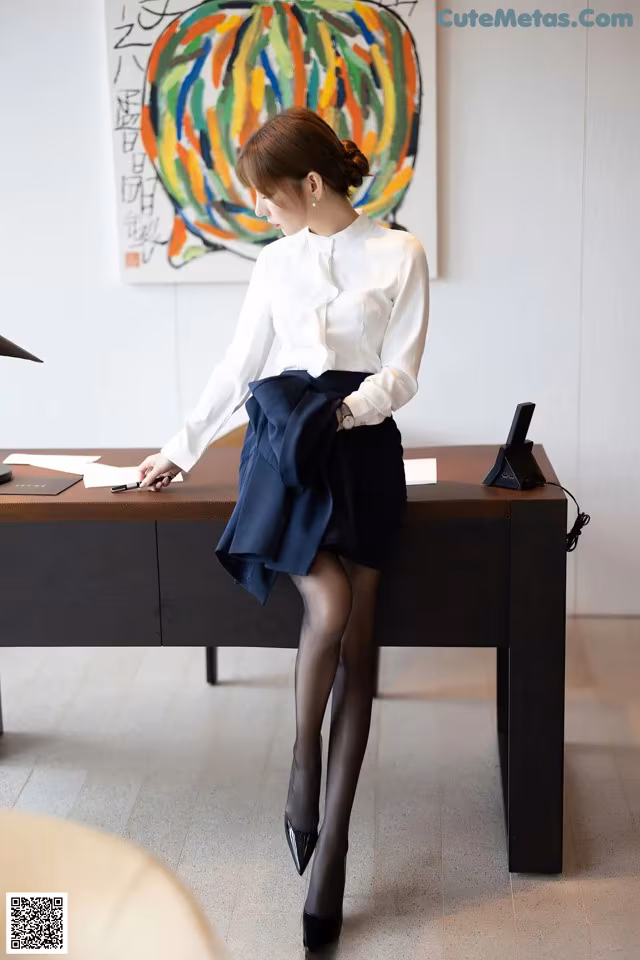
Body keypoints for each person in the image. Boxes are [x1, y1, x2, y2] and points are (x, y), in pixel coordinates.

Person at [136, 105, 430, 953]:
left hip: (360, 448)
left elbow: (403, 372)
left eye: (266, 196)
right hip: (287, 453)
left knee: (360, 645)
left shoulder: (400, 252)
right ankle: (303, 767)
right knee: (329, 607)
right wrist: (179, 448)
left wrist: (344, 413)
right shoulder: (273, 267)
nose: (259, 211)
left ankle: (331, 846)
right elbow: (238, 367)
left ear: (309, 184)